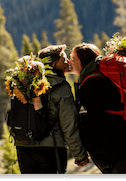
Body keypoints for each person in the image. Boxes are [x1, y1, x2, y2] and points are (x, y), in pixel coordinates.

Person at [69, 43, 126, 174]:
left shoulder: (91, 84)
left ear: (83, 61)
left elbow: (97, 122)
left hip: (119, 150)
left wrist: (101, 155)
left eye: (73, 59)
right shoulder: (101, 76)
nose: (70, 62)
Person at [15, 44, 90, 174]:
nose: (68, 62)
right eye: (63, 59)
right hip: (51, 149)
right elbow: (69, 125)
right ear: (54, 65)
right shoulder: (60, 87)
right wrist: (80, 155)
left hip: (23, 148)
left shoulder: (25, 83)